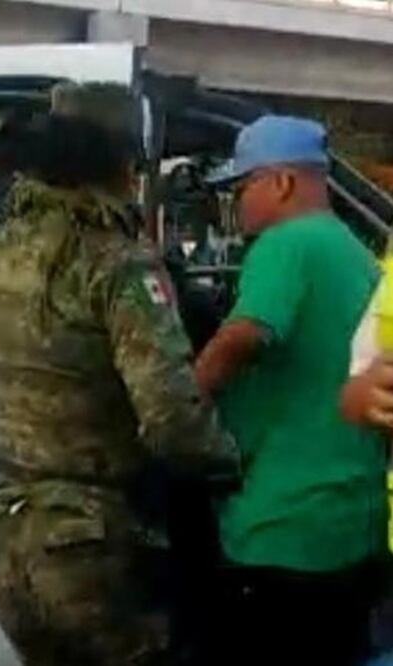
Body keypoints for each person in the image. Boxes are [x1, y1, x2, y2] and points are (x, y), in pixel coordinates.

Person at [0, 82, 240, 666]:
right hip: (94, 544)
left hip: (7, 533)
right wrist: (231, 463)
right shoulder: (116, 261)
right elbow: (170, 419)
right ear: (122, 163)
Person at [195, 115, 388, 666]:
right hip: (350, 523)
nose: (235, 206)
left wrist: (181, 400)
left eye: (240, 188)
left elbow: (246, 333)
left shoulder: (286, 243)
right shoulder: (355, 253)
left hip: (281, 530)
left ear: (280, 183)